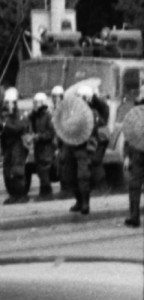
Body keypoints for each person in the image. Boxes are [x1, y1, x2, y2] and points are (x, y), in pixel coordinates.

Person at [64, 82, 110, 216]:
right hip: (72, 147)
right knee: (70, 176)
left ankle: (85, 203)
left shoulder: (94, 113)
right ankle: (78, 201)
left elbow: (104, 111)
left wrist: (94, 96)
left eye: (82, 97)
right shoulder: (73, 112)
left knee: (83, 177)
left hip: (84, 149)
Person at [0, 87, 30, 204]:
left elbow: (17, 128)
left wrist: (5, 124)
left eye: (10, 103)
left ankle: (21, 194)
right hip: (8, 146)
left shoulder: (22, 115)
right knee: (7, 170)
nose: (8, 105)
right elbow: (1, 130)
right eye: (7, 103)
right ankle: (12, 194)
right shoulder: (5, 116)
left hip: (18, 145)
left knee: (17, 170)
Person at [28, 92, 56, 200]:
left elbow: (51, 132)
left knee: (44, 168)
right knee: (40, 168)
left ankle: (46, 192)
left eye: (37, 103)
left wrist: (39, 136)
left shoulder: (48, 116)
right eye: (34, 103)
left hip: (47, 147)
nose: (35, 105)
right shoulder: (34, 116)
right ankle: (44, 191)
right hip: (38, 147)